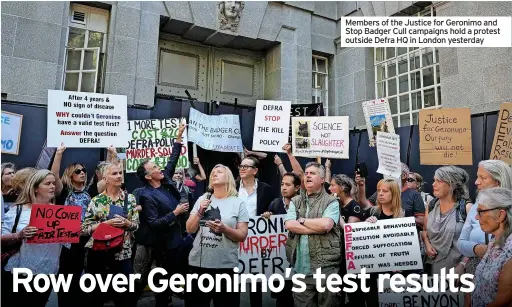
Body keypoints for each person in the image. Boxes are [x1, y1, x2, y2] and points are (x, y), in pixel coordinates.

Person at [134, 123, 189, 307]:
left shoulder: (165, 180)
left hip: (176, 238)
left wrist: (179, 136)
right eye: (155, 167)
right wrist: (176, 212)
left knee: (172, 275)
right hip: (161, 243)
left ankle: (167, 300)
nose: (160, 168)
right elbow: (154, 223)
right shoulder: (146, 196)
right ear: (149, 176)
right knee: (159, 277)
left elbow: (173, 159)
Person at [185, 164, 249, 307]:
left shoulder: (238, 203)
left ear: (229, 178)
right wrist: (200, 210)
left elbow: (242, 235)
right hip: (198, 265)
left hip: (225, 266)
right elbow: (189, 229)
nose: (214, 174)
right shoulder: (203, 199)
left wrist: (225, 229)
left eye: (219, 172)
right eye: (213, 172)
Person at [1, 170, 65, 307]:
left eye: (53, 183)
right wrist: (19, 235)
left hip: (47, 273)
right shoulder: (18, 210)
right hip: (18, 271)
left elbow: (66, 242)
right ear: (35, 188)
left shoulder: (62, 214)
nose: (52, 186)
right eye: (47, 183)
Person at [81, 162, 139, 307]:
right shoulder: (96, 201)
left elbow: (136, 226)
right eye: (114, 173)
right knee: (96, 297)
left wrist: (127, 223)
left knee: (125, 298)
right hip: (99, 253)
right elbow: (83, 229)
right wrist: (105, 224)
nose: (119, 176)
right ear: (105, 179)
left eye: (120, 173)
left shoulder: (129, 199)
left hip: (122, 254)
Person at [284, 162, 340, 307]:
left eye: (312, 173)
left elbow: (326, 225)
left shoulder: (332, 201)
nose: (307, 175)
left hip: (326, 270)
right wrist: (316, 228)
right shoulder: (295, 201)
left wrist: (301, 221)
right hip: (301, 269)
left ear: (322, 180)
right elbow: (289, 224)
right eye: (306, 173)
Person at [51, 144, 94, 307]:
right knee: (68, 277)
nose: (82, 172)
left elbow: (105, 180)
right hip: (68, 242)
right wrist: (59, 154)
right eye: (77, 171)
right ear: (70, 174)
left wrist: (112, 154)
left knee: (86, 279)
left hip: (88, 239)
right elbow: (54, 176)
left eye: (83, 170)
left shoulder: (90, 191)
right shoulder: (64, 192)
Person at [364, 178, 413, 307]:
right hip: (374, 274)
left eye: (385, 191)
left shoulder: (405, 215)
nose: (380, 193)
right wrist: (366, 227)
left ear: (394, 194)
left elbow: (410, 247)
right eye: (379, 190)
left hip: (397, 273)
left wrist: (401, 263)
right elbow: (363, 246)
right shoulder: (370, 213)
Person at [236, 155, 275, 307]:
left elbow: (272, 211)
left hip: (256, 241)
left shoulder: (266, 189)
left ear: (255, 170)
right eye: (241, 166)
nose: (242, 168)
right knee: (234, 279)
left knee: (255, 280)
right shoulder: (232, 187)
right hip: (235, 238)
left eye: (247, 166)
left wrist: (268, 214)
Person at [423, 166, 471, 276]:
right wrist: (427, 244)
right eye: (434, 180)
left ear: (452, 184)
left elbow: (475, 242)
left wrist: (462, 265)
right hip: (433, 270)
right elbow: (425, 230)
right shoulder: (431, 206)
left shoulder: (466, 208)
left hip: (457, 272)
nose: (433, 184)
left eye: (439, 181)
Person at [263, 172, 301, 307]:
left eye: (288, 185)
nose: (283, 187)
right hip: (279, 261)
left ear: (297, 188)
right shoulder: (275, 204)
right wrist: (268, 216)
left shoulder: (303, 205)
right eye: (282, 184)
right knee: (282, 299)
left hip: (298, 259)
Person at [472, 187, 512, 307]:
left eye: (481, 212)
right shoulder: (494, 241)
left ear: (500, 215)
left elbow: (503, 300)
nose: (476, 217)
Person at [329, 174, 365, 307]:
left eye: (333, 185)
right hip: (336, 257)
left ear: (342, 187)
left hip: (351, 260)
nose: (330, 188)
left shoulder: (354, 206)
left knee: (354, 295)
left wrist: (334, 212)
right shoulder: (336, 203)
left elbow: (348, 230)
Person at [357, 163, 425, 228]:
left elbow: (422, 221)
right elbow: (365, 205)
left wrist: (403, 221)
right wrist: (361, 186)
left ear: (404, 175)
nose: (381, 193)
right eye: (379, 190)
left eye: (392, 172)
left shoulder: (414, 195)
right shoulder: (381, 192)